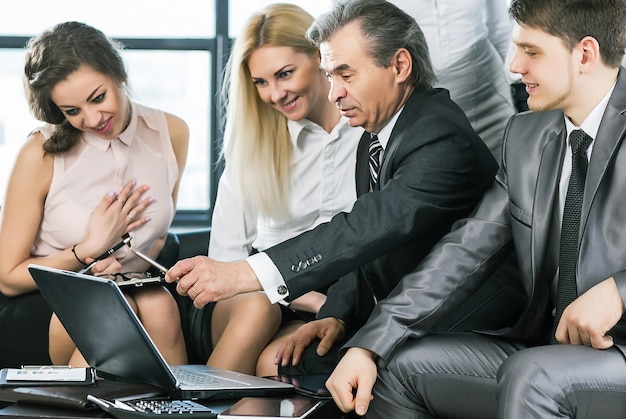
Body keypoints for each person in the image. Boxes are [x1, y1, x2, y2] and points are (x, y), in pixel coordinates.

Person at [166, 0, 500, 376]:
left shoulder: (438, 137)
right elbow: (372, 250)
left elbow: (366, 228)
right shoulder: (380, 134)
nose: (333, 93)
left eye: (345, 74)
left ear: (400, 66)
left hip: (460, 325)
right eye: (330, 76)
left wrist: (245, 274)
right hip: (390, 311)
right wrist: (337, 315)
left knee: (287, 364)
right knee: (290, 361)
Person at [326, 0, 626, 417]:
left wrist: (620, 292)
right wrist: (369, 343)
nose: (513, 66)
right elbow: (463, 251)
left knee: (534, 374)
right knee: (397, 366)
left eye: (531, 51)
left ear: (585, 54)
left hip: (616, 353)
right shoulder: (525, 135)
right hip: (545, 348)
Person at [0, 21, 189, 367]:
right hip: (45, 301)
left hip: (135, 288)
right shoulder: (39, 153)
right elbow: (8, 278)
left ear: (117, 72)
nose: (92, 118)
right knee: (114, 309)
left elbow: (158, 236)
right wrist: (86, 251)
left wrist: (124, 264)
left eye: (98, 98)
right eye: (72, 111)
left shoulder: (172, 132)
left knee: (157, 305)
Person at [192, 3, 362, 376]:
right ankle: (192, 409)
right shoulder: (251, 149)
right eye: (261, 82)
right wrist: (314, 300)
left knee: (278, 361)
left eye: (285, 74)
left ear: (320, 58)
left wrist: (333, 306)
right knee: (257, 307)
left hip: (339, 299)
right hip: (249, 297)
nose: (274, 94)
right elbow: (225, 262)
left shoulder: (367, 132)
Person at [389, 0, 516, 160]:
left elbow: (500, 28)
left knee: (511, 167)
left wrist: (517, 80)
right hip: (415, 102)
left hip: (485, 93)